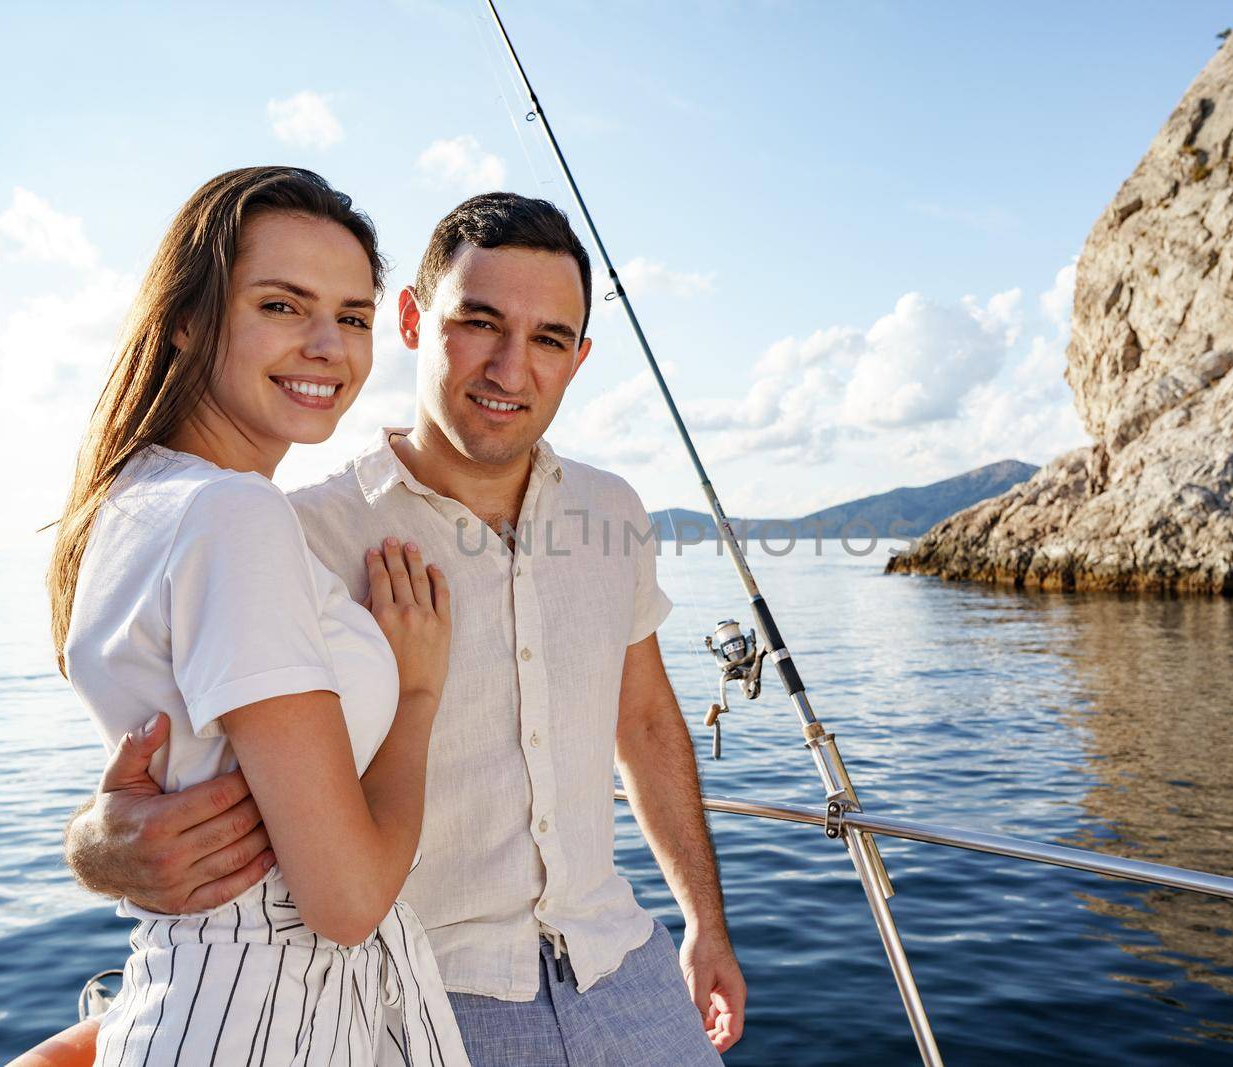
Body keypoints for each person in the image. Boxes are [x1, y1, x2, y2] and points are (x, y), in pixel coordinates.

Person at [65, 193, 746, 1065]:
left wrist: (704, 924)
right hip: (420, 996)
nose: (510, 367)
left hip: (622, 962)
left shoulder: (614, 510)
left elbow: (646, 721)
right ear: (417, 321)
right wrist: (92, 846)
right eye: (481, 323)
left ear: (578, 359)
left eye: (547, 339)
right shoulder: (300, 528)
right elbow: (159, 739)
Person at [49, 166, 470, 1066]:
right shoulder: (234, 515)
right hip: (273, 1023)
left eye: (353, 317)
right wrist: (421, 690)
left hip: (197, 997)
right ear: (191, 319)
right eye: (283, 305)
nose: (329, 345)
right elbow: (346, 900)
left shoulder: (130, 500)